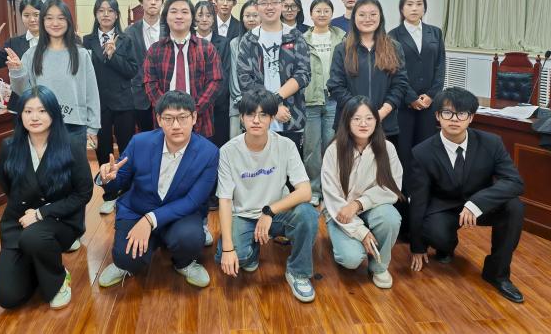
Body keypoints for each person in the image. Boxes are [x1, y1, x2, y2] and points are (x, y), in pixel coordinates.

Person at [409, 87, 525, 303]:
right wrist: (417, 247)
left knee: (514, 207)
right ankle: (446, 247)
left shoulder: (492, 143)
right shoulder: (422, 152)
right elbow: (418, 201)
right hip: (444, 206)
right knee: (437, 235)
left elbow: (515, 182)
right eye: (447, 113)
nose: (454, 119)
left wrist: (477, 202)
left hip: (479, 205)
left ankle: (497, 274)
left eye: (461, 113)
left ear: (471, 117)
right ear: (437, 116)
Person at [96, 91, 219, 289]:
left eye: (182, 117)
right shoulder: (140, 142)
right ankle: (125, 264)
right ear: (159, 119)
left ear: (194, 117)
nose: (176, 125)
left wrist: (150, 220)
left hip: (180, 214)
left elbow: (193, 201)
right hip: (138, 210)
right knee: (126, 259)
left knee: (189, 239)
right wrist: (107, 178)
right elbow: (118, 180)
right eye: (168, 119)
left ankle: (184, 263)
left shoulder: (209, 153)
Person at [0, 86, 93, 310]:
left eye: (42, 110)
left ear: (53, 113)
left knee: (34, 237)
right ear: (20, 115)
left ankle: (59, 279)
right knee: (6, 296)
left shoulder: (71, 146)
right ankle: (38, 264)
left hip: (60, 221)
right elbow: (6, 184)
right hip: (19, 222)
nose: (34, 117)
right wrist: (27, 207)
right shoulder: (9, 146)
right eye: (28, 111)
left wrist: (41, 213)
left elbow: (83, 193)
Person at [216, 89, 319, 303]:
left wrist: (269, 211)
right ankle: (251, 248)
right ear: (241, 118)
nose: (256, 120)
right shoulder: (227, 151)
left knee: (308, 214)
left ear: (272, 118)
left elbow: (305, 191)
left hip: (275, 212)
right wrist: (227, 248)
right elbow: (224, 200)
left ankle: (298, 273)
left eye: (263, 115)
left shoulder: (286, 145)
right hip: (243, 215)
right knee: (238, 258)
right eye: (250, 114)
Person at [321, 96, 403, 289]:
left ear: (376, 120)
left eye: (369, 118)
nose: (363, 124)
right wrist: (362, 232)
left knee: (391, 217)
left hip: (372, 208)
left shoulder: (387, 148)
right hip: (340, 213)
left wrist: (359, 204)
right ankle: (345, 239)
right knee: (351, 259)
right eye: (356, 119)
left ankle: (379, 267)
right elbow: (332, 198)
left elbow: (392, 188)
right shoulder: (334, 150)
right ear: (347, 121)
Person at [388, 0, 445, 235]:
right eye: (409, 4)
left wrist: (431, 95)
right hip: (404, 107)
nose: (414, 8)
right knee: (403, 159)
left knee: (425, 158)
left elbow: (440, 67)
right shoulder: (393, 35)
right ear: (402, 9)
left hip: (428, 107)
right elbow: (393, 70)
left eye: (419, 4)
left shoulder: (435, 33)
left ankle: (423, 217)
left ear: (424, 8)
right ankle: (402, 220)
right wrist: (411, 97)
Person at [6, 0, 100, 148]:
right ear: (43, 21)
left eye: (61, 18)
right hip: (41, 126)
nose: (55, 23)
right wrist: (17, 72)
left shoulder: (81, 54)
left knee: (74, 164)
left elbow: (92, 93)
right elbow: (23, 92)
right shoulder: (31, 54)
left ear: (68, 21)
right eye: (49, 18)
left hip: (74, 126)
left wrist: (93, 127)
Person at [237, 0, 311, 156]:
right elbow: (245, 79)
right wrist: (271, 108)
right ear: (257, 7)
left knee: (290, 167)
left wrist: (274, 101)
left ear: (281, 5)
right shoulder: (249, 40)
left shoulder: (295, 36)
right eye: (264, 3)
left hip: (290, 116)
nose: (269, 7)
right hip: (255, 118)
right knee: (257, 167)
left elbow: (303, 75)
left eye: (274, 2)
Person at [326, 0, 408, 145]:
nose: (367, 19)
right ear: (354, 18)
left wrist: (381, 113)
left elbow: (400, 84)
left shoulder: (394, 47)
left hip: (385, 124)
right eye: (362, 14)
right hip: (349, 122)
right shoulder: (342, 49)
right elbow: (335, 85)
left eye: (373, 14)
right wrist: (360, 113)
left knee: (383, 160)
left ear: (380, 17)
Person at [83, 0, 138, 215]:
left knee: (126, 149)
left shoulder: (126, 40)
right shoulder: (87, 41)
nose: (105, 14)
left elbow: (132, 70)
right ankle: (110, 194)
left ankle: (127, 192)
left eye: (110, 10)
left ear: (117, 15)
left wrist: (113, 55)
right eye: (101, 10)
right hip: (98, 104)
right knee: (103, 150)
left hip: (124, 103)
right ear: (95, 14)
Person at [143, 0, 222, 139]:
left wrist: (192, 112)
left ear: (192, 18)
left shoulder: (207, 48)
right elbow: (150, 84)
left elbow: (214, 83)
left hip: (200, 122)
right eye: (173, 11)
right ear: (166, 17)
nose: (179, 16)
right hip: (166, 123)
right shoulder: (155, 50)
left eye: (184, 12)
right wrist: (168, 112)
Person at [302, 0, 345, 205]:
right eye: (317, 10)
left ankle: (331, 189)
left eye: (326, 10)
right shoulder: (303, 39)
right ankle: (313, 189)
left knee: (332, 146)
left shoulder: (342, 38)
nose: (322, 14)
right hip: (310, 99)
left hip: (333, 100)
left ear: (331, 13)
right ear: (311, 14)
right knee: (311, 148)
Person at [0, 0, 42, 111]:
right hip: (20, 104)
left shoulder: (55, 42)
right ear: (21, 17)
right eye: (26, 15)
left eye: (36, 14)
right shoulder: (13, 43)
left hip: (49, 102)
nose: (32, 19)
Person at [126, 0, 165, 133]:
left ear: (162, 3)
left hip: (165, 92)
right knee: (145, 136)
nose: (153, 2)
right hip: (139, 96)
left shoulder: (170, 29)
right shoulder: (129, 32)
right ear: (141, 3)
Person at [195, 0, 231, 149]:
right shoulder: (188, 40)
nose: (204, 19)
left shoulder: (224, 42)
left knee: (218, 147)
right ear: (194, 17)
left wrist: (209, 101)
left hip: (218, 106)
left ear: (214, 18)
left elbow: (225, 74)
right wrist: (198, 103)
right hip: (194, 106)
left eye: (208, 15)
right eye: (200, 15)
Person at [229, 0, 260, 139]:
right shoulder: (234, 43)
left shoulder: (268, 42)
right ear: (242, 18)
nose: (251, 19)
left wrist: (261, 100)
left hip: (263, 103)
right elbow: (233, 76)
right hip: (239, 103)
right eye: (247, 16)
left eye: (255, 15)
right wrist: (241, 99)